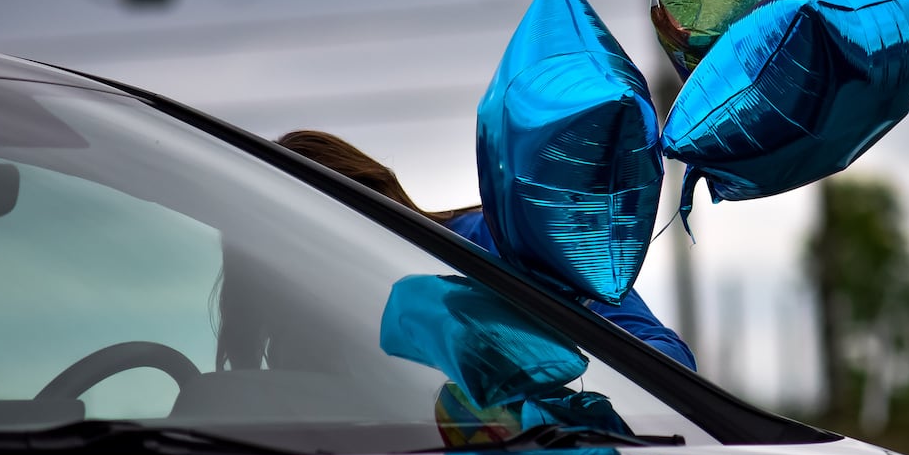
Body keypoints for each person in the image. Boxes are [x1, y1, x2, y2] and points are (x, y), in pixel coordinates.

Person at [277, 130, 697, 370]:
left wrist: (539, 376)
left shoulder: (497, 244)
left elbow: (665, 359)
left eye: (333, 231)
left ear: (378, 199)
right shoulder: (301, 358)